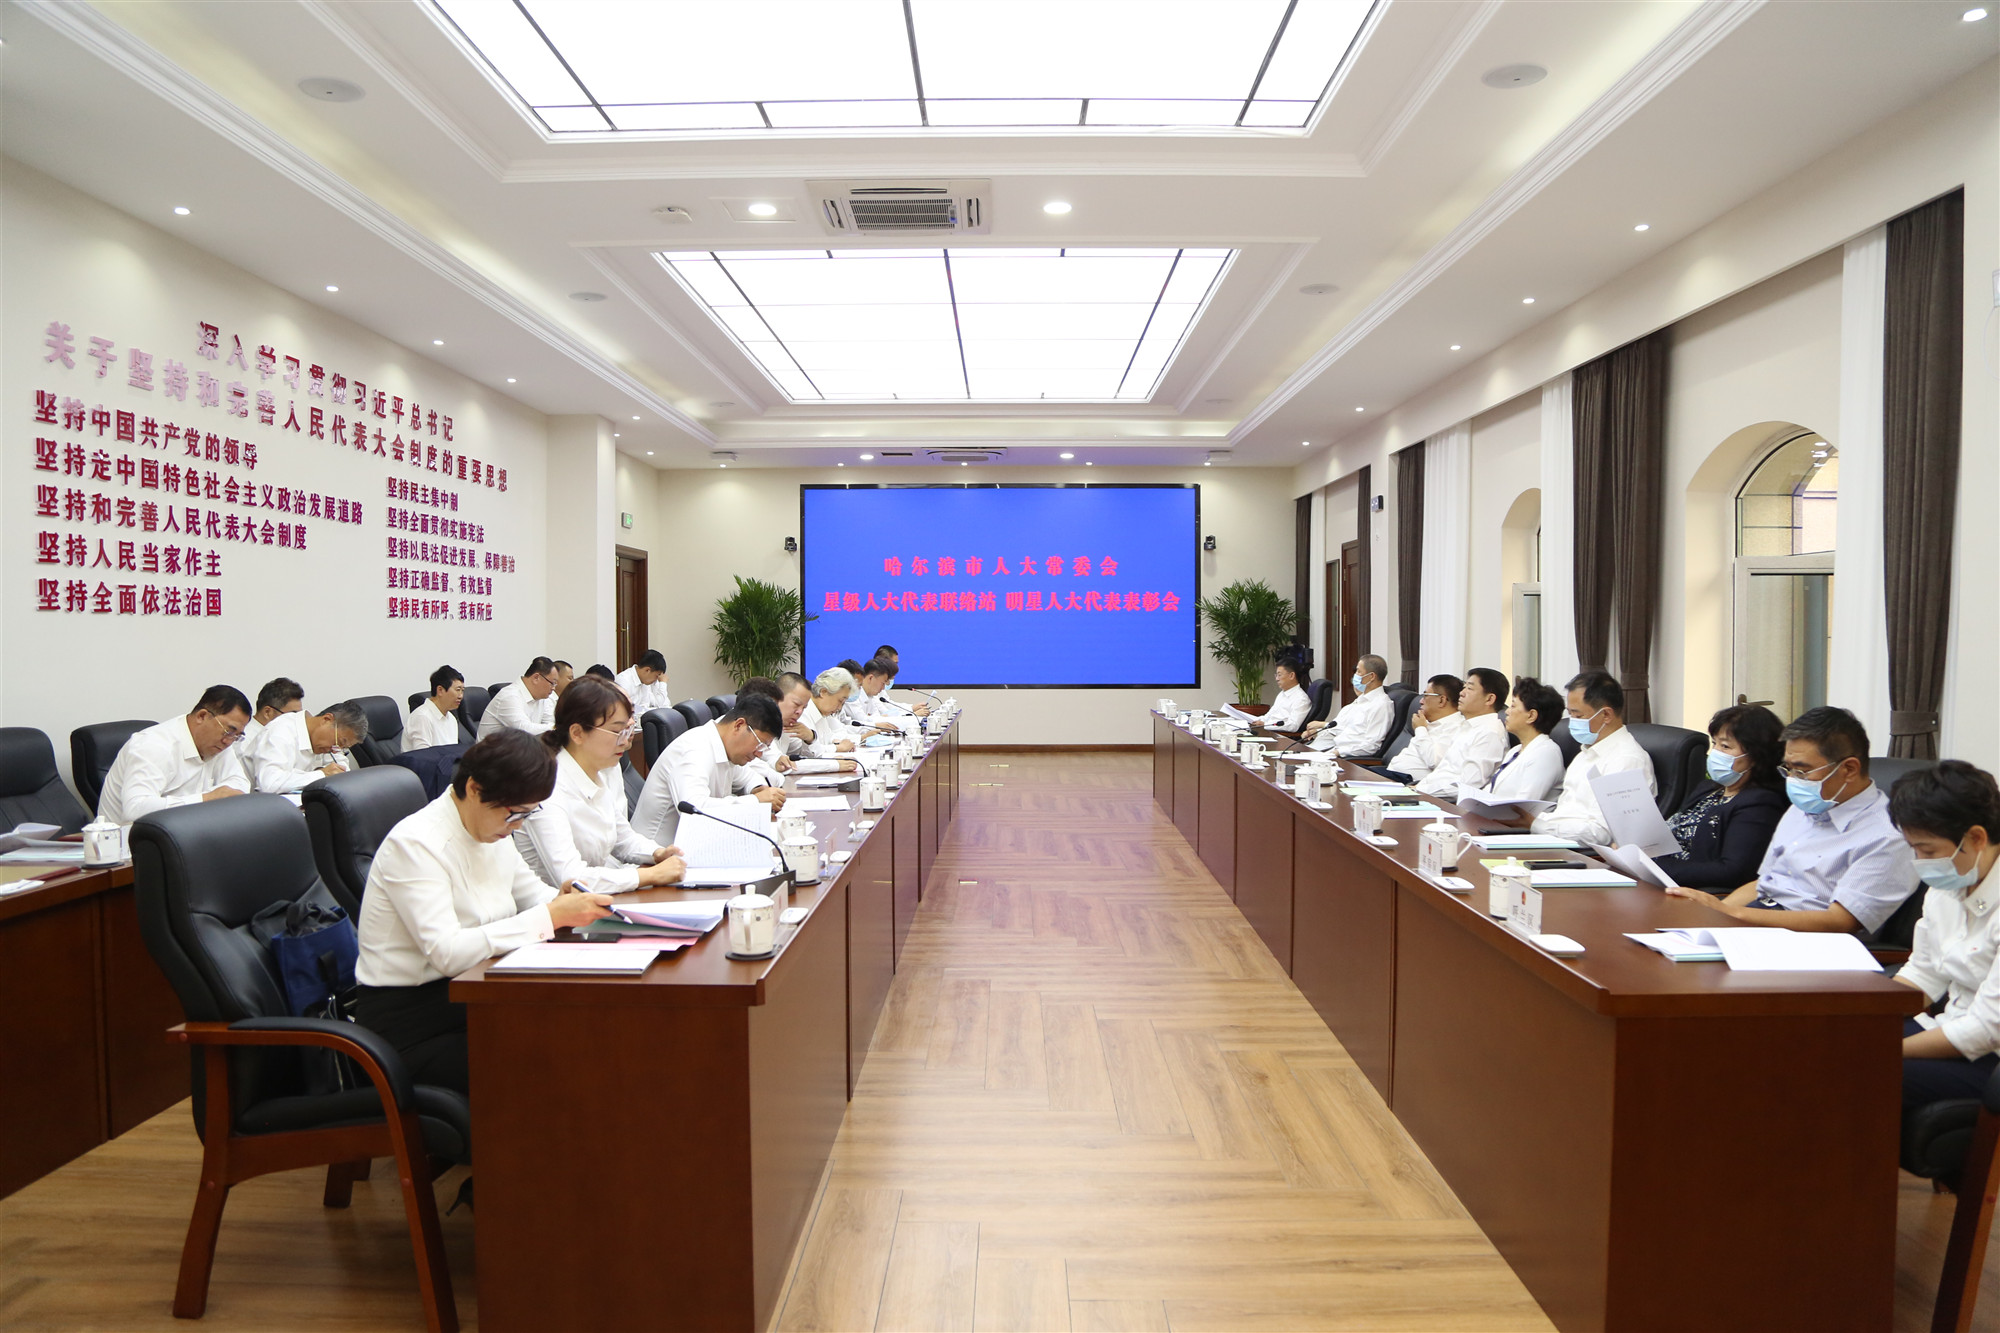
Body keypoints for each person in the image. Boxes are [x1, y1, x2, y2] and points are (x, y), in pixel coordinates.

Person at [353, 731, 615, 1097]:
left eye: (528, 813)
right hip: (413, 1021)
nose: (518, 826)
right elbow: (447, 953)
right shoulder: (415, 845)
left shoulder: (491, 828)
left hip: (477, 989)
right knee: (550, 1061)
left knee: (585, 1028)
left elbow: (532, 894)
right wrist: (551, 916)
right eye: (515, 813)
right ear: (474, 789)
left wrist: (569, 902)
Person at [1666, 706, 1918, 934]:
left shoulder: (1887, 834)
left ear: (1849, 769)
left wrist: (1731, 913)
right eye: (1788, 769)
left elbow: (1840, 921)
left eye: (1802, 771)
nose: (1793, 780)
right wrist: (1713, 916)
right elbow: (1763, 883)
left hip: (1810, 941)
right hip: (1757, 918)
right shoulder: (1805, 806)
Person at [1886, 762, 2000, 1121]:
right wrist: (1868, 1018)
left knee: (1864, 1069)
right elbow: (1923, 974)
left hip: (1991, 1057)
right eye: (1914, 849)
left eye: (1929, 851)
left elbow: (1986, 1029)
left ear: (1976, 838)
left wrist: (1887, 1050)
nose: (1921, 863)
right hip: (1952, 1028)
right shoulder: (1948, 886)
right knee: (1827, 1042)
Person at [515, 677, 684, 894]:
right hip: (557, 908)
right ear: (577, 733)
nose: (626, 741)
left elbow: (624, 839)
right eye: (617, 731)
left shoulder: (598, 773)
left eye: (628, 730)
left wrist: (657, 853)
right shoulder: (546, 788)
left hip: (597, 900)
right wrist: (648, 875)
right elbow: (571, 878)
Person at [1650, 705, 1787, 888]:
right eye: (1714, 743)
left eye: (1725, 746)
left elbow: (1732, 871)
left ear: (1757, 755)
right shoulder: (1709, 788)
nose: (1716, 752)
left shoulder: (1760, 804)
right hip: (1658, 876)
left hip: (1693, 890)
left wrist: (1656, 867)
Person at [630, 694, 787, 845]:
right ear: (739, 725)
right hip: (657, 855)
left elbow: (748, 777)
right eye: (760, 744)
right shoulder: (694, 749)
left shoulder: (727, 748)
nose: (759, 753)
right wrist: (756, 800)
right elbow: (695, 811)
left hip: (696, 845)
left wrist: (758, 789)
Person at [1530, 670, 1656, 845]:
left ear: (1606, 715)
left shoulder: (1626, 760)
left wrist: (1534, 824)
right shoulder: (1585, 753)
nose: (1572, 722)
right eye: (1570, 714)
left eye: (1578, 715)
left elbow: (1601, 834)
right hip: (1554, 839)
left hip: (1585, 853)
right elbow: (1566, 813)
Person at [98, 685, 253, 826]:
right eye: (229, 731)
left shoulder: (220, 743)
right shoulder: (153, 746)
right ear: (202, 716)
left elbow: (239, 783)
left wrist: (217, 797)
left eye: (237, 736)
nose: (229, 741)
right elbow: (136, 808)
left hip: (185, 833)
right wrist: (207, 799)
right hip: (130, 841)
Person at [1416, 667, 1512, 798]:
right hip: (1426, 791)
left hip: (1444, 801)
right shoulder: (1468, 726)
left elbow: (1467, 785)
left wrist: (1420, 790)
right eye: (1464, 687)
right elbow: (1443, 772)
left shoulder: (1490, 733)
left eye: (1470, 688)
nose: (1461, 693)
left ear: (1489, 699)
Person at [244, 699, 370, 793]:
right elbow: (269, 784)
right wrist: (321, 774)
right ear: (326, 720)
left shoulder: (327, 743)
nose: (335, 750)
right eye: (340, 742)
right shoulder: (281, 732)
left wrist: (333, 772)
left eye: (343, 748)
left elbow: (342, 769)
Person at [1477, 676, 1568, 806]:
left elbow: (1523, 806)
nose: (1507, 711)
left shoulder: (1546, 754)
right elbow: (1492, 789)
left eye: (1513, 706)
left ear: (1531, 716)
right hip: (1494, 814)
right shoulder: (1515, 751)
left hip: (1514, 818)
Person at [1304, 655, 1394, 757]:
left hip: (1343, 756)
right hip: (1330, 747)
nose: (1355, 675)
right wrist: (1317, 732)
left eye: (1359, 671)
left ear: (1371, 676)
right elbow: (1341, 728)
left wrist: (1338, 752)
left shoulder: (1381, 705)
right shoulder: (1361, 700)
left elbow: (1371, 745)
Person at [1393, 674, 1463, 782]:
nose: (1421, 701)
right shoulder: (1427, 722)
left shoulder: (1455, 727)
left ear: (1442, 700)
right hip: (1392, 775)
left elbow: (1433, 761)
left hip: (1409, 783)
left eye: (1425, 696)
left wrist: (1420, 729)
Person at [478, 657, 560, 739]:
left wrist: (555, 728)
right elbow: (525, 731)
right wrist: (557, 728)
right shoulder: (509, 696)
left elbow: (550, 723)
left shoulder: (542, 697)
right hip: (495, 747)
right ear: (536, 678)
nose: (553, 688)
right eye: (552, 683)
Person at [800, 666, 864, 757]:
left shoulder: (823, 714)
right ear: (823, 692)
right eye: (840, 701)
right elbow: (808, 753)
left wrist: (836, 742)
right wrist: (837, 748)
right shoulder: (803, 712)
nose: (839, 708)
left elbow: (829, 737)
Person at [1248, 651, 1313, 734]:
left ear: (1291, 675)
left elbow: (1293, 725)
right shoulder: (1282, 694)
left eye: (1279, 675)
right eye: (1276, 675)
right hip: (1269, 730)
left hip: (1280, 735)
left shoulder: (1301, 699)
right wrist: (1253, 721)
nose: (1277, 679)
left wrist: (1265, 725)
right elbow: (1269, 716)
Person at [404, 665, 465, 751]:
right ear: (440, 690)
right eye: (458, 690)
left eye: (462, 690)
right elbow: (422, 756)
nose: (461, 696)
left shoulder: (451, 719)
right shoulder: (422, 717)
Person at [244, 677, 305, 748]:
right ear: (267, 712)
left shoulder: (286, 736)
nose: (296, 721)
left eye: (298, 715)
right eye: (292, 715)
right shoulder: (245, 740)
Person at [615, 650, 673, 715]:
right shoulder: (624, 681)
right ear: (647, 670)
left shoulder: (645, 680)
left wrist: (662, 683)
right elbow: (621, 710)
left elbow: (659, 704)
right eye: (657, 676)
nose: (657, 680)